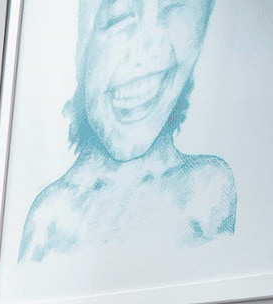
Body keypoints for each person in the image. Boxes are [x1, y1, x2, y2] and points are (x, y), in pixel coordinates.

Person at [20, 0, 234, 262]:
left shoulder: (207, 186)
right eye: (118, 19)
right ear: (80, 51)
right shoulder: (51, 215)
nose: (150, 47)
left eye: (173, 7)